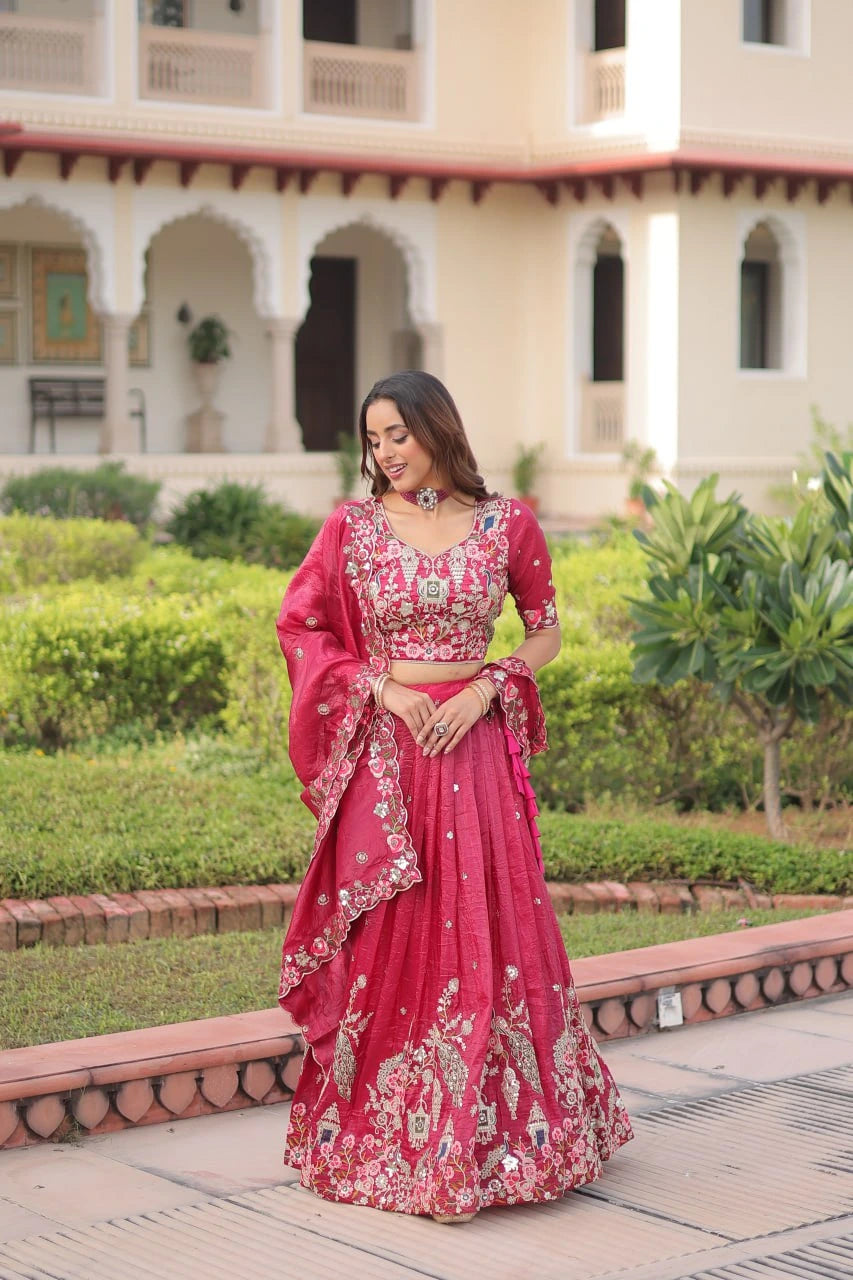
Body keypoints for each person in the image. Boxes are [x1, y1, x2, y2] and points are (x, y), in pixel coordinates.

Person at [275, 371, 632, 1222]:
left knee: (491, 936)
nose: (385, 452)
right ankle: (393, 1134)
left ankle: (512, 1137)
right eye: (373, 439)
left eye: (397, 433)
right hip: (393, 760)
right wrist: (382, 687)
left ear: (437, 427)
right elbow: (302, 626)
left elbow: (544, 628)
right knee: (398, 935)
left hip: (472, 760)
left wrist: (486, 688)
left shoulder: (506, 523)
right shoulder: (352, 528)